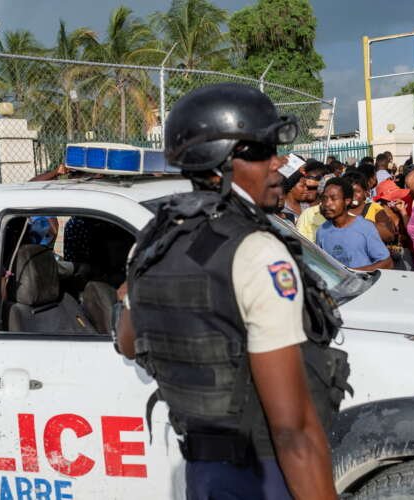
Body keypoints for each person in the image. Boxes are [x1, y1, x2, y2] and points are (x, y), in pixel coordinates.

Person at [116, 83, 350, 500]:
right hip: (264, 475)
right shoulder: (256, 252)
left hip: (204, 475)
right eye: (262, 151)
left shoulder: (153, 240)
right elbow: (293, 431)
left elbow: (128, 342)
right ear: (222, 162)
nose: (278, 161)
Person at [316, 177, 391, 271]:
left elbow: (387, 263)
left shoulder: (365, 227)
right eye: (324, 198)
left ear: (347, 201)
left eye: (333, 199)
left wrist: (352, 274)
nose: (327, 204)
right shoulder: (322, 230)